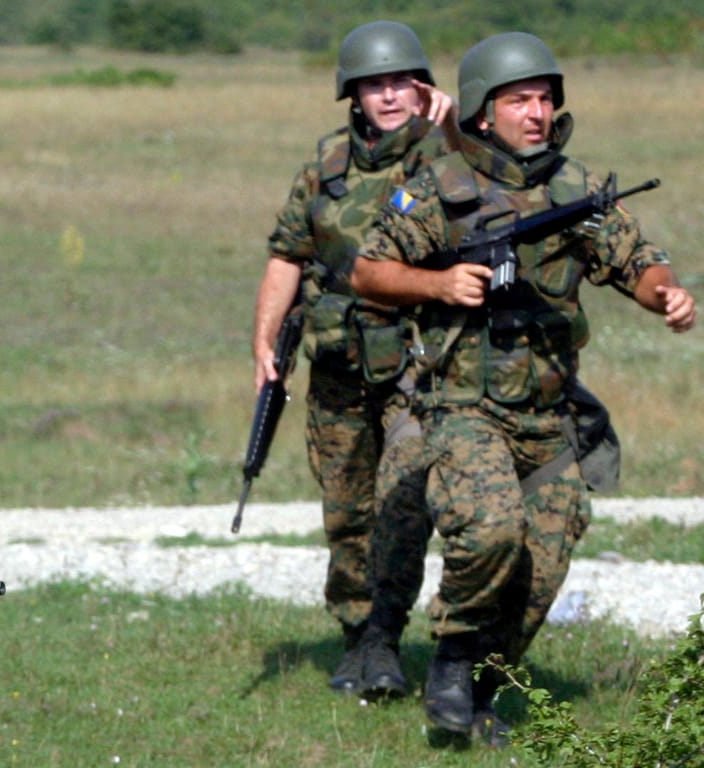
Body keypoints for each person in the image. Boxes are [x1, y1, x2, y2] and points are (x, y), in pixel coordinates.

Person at [352, 32, 697, 742]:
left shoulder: (576, 190)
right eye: (520, 100)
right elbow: (369, 272)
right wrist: (439, 281)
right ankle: (449, 654)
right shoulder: (438, 189)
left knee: (546, 557)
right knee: (490, 529)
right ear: (482, 111)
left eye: (546, 99)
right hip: (460, 403)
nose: (538, 113)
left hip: (549, 410)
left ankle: (480, 689)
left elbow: (637, 261)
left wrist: (667, 296)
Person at [253, 20, 454, 698]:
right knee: (345, 510)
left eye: (402, 82)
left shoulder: (442, 158)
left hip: (415, 365)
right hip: (337, 362)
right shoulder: (325, 167)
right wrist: (264, 340)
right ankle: (354, 636)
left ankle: (386, 638)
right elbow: (288, 253)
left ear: (423, 89)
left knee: (402, 503)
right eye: (376, 84)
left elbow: (491, 192)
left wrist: (456, 135)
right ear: (353, 94)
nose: (391, 96)